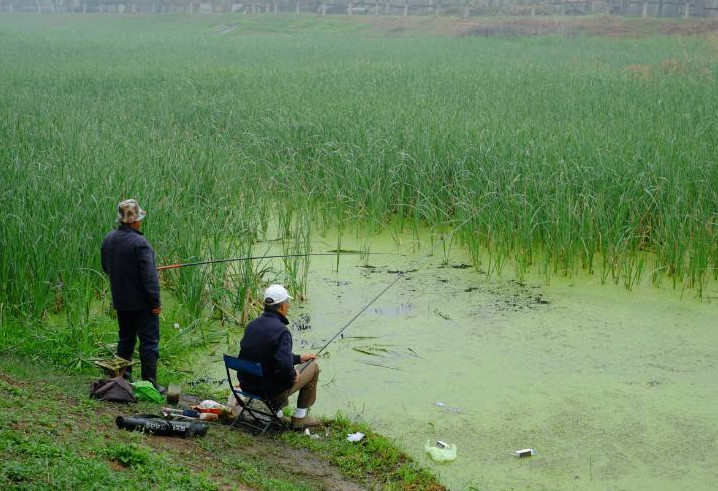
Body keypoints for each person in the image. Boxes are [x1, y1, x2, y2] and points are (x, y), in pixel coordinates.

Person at [101, 199, 164, 393]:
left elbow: (106, 267)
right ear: (135, 221)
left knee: (125, 339)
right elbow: (149, 277)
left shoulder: (109, 239)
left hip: (121, 300)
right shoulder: (140, 243)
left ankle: (123, 378)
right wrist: (155, 302)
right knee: (149, 341)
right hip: (142, 303)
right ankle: (149, 383)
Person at [238, 284, 321, 429]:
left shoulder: (252, 325)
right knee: (313, 367)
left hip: (248, 388)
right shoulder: (282, 331)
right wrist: (292, 375)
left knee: (297, 365)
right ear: (282, 307)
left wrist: (298, 358)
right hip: (269, 392)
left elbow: (262, 354)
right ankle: (300, 418)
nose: (288, 306)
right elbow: (283, 366)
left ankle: (277, 414)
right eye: (287, 303)